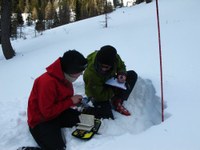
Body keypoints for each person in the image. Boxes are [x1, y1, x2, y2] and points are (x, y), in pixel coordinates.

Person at [27, 50, 87, 150]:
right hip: (41, 120)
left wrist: (74, 102)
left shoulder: (65, 77)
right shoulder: (47, 83)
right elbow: (47, 113)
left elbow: (62, 99)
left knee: (84, 119)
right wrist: (71, 101)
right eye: (79, 71)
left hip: (58, 113)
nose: (81, 74)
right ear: (71, 70)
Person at [83, 45, 138, 119]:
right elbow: (98, 96)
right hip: (97, 91)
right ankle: (89, 107)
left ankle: (117, 101)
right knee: (107, 115)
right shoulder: (90, 74)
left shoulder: (115, 58)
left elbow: (121, 66)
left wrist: (122, 74)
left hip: (109, 82)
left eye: (107, 67)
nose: (103, 69)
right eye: (101, 66)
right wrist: (113, 91)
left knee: (132, 75)